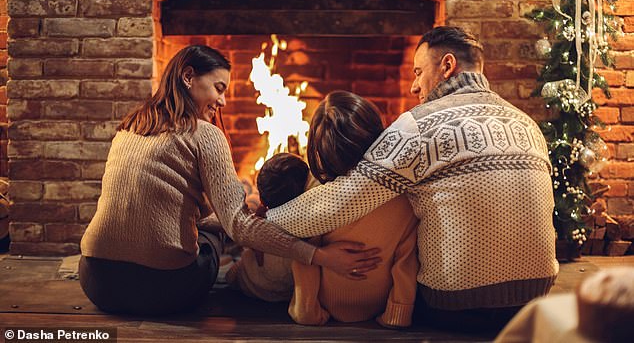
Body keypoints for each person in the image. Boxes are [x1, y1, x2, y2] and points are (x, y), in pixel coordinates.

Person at [267, 27, 559, 331]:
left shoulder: (418, 126)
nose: (414, 87)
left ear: (447, 66)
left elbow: (336, 204)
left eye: (418, 72)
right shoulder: (527, 124)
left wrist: (264, 220)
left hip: (456, 303)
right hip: (533, 297)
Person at [79, 45, 381, 315]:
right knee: (218, 235)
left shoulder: (130, 126)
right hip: (165, 290)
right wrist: (321, 256)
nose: (223, 101)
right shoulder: (203, 133)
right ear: (188, 77)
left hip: (96, 281)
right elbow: (239, 227)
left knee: (206, 221)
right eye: (218, 88)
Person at [288, 91, 419, 328]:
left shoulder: (316, 192)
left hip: (326, 301)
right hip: (377, 303)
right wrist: (397, 314)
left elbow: (303, 257)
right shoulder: (401, 194)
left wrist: (306, 311)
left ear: (320, 148)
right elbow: (406, 260)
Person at [225, 153, 309, 302]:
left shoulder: (262, 226)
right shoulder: (307, 221)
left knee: (231, 274)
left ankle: (246, 189)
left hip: (255, 284)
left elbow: (252, 244)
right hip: (289, 290)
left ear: (263, 199)